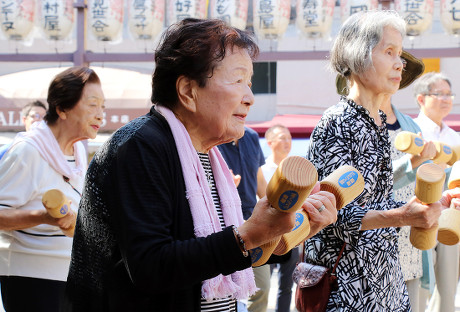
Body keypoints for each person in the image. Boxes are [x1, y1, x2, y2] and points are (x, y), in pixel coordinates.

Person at [64, 18, 338, 312]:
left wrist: (291, 231)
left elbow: (220, 253)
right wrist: (245, 237)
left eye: (249, 83)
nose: (250, 98)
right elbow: (150, 267)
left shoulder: (205, 155)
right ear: (187, 91)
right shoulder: (140, 145)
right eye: (237, 80)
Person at [305, 10, 453, 311]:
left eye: (399, 53)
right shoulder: (338, 122)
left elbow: (380, 200)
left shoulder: (378, 121)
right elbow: (332, 217)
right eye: (389, 52)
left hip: (386, 281)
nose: (400, 63)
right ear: (357, 55)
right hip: (347, 288)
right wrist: (403, 216)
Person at [0, 66, 105, 312]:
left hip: (71, 274)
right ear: (62, 109)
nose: (101, 115)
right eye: (92, 105)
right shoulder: (28, 151)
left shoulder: (78, 151)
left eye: (103, 106)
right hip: (30, 277)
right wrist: (44, 217)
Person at [413, 72, 460, 312]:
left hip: (451, 215)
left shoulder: (455, 137)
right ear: (421, 99)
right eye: (439, 94)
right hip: (418, 212)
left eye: (449, 94)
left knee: (448, 284)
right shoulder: (412, 132)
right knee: (420, 282)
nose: (446, 99)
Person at [218, 126, 270, 312]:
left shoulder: (252, 136)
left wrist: (280, 210)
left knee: (262, 286)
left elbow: (260, 182)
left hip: (252, 219)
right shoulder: (213, 132)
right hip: (220, 219)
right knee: (223, 290)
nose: (245, 101)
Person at [262, 124, 298, 312]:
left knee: (287, 285)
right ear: (269, 142)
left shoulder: (297, 171)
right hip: (265, 235)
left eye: (289, 138)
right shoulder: (262, 170)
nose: (287, 142)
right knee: (263, 285)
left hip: (291, 234)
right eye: (282, 138)